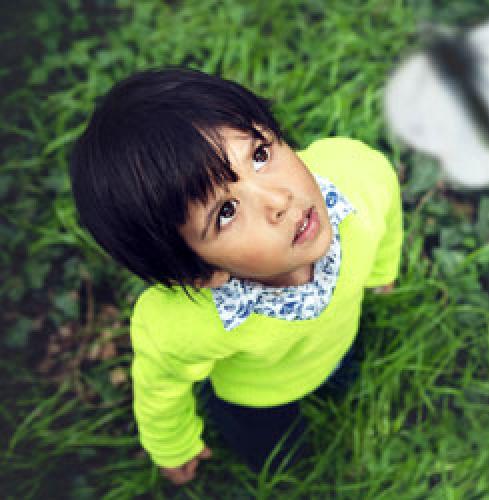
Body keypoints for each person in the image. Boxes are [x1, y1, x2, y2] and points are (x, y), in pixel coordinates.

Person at [69, 68, 402, 485]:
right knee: (277, 457)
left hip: (338, 339)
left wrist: (380, 271)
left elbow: (386, 211)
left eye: (260, 155)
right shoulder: (183, 324)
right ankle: (286, 474)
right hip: (257, 398)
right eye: (225, 212)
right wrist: (173, 445)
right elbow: (161, 384)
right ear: (198, 272)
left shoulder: (357, 175)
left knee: (346, 375)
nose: (279, 200)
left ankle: (338, 380)